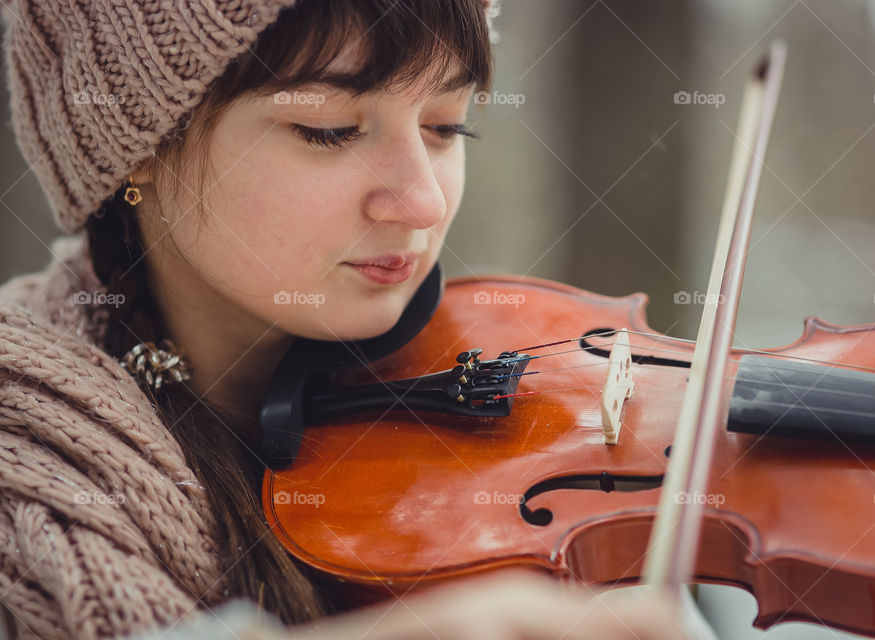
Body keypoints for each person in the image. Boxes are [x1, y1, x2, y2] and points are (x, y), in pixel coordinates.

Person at [0, 0, 689, 638]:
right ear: (139, 150)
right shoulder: (24, 464)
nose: (422, 202)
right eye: (329, 131)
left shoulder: (538, 472)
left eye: (447, 126)